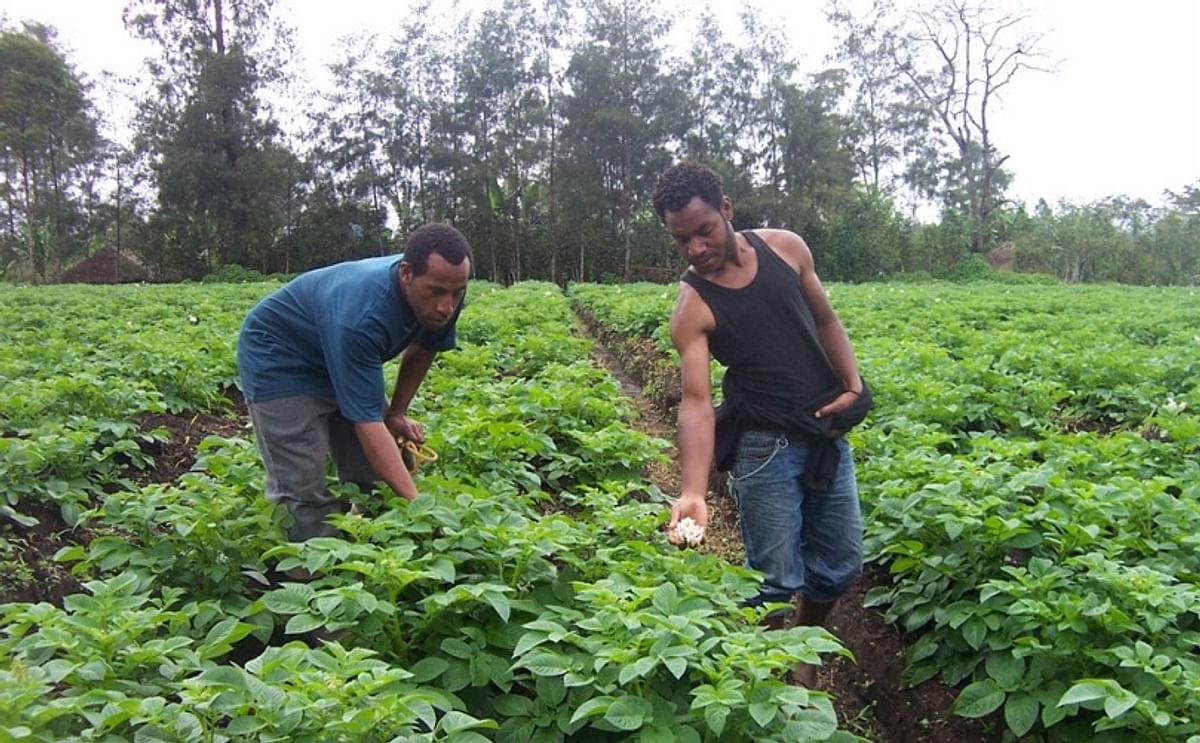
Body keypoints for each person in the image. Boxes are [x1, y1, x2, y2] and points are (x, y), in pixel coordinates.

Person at [651, 162, 872, 686]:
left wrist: (853, 385)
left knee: (840, 565)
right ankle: (770, 676)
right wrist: (693, 491)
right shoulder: (692, 306)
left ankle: (802, 651)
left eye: (704, 231)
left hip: (826, 436)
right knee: (773, 582)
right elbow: (697, 402)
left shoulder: (787, 249)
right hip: (763, 447)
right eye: (682, 240)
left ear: (727, 211)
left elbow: (824, 319)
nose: (696, 249)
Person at [237, 224, 472, 542]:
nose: (447, 306)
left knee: (374, 472)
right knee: (302, 485)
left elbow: (425, 346)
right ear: (406, 274)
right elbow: (367, 423)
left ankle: (371, 542)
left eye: (456, 293)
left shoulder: (446, 288)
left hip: (335, 345)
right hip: (280, 355)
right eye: (436, 292)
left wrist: (398, 412)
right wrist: (418, 508)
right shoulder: (362, 315)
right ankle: (307, 574)